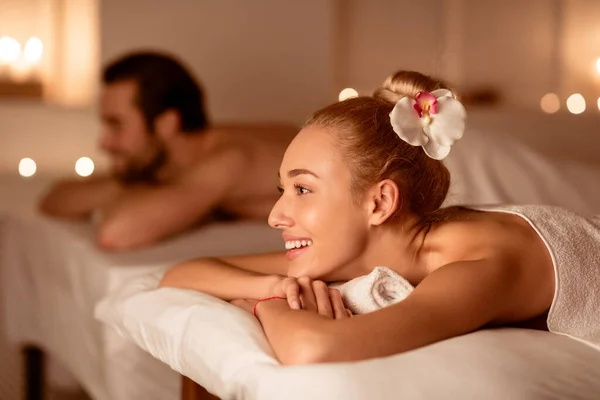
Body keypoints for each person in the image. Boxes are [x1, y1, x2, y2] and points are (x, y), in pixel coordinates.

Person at [158, 70, 599, 365]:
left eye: (303, 189)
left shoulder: (478, 268)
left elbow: (314, 347)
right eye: (282, 190)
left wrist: (258, 306)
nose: (275, 216)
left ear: (379, 203)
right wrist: (275, 286)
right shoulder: (381, 241)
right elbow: (180, 274)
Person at [39, 51, 297, 251]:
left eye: (116, 125)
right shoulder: (169, 165)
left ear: (166, 124)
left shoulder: (229, 160)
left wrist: (129, 188)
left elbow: (115, 233)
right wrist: (131, 185)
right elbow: (53, 199)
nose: (104, 143)